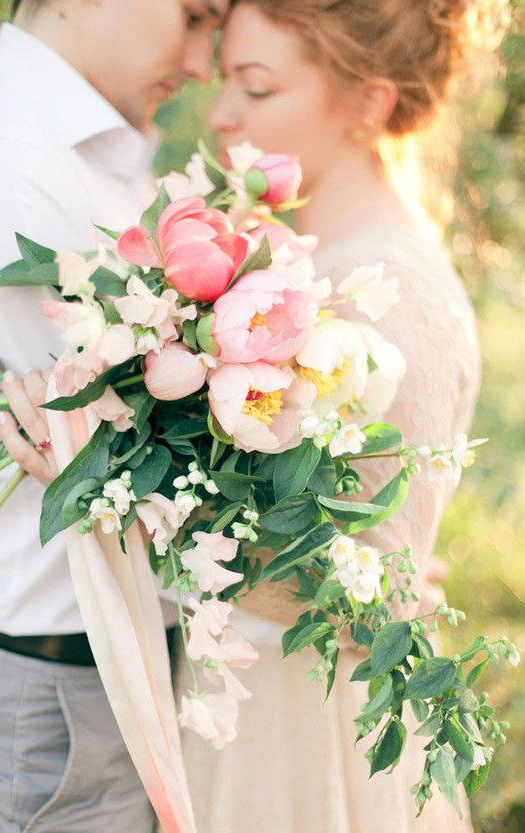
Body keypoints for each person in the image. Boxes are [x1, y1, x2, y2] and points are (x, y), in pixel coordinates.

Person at [174, 1, 499, 830]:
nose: (220, 114)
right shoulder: (302, 255)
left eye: (256, 85)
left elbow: (360, 599)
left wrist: (141, 522)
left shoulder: (396, 297)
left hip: (307, 738)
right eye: (224, 80)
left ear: (368, 103)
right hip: (247, 700)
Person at [0, 1, 229, 831]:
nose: (202, 60)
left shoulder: (96, 158)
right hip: (47, 701)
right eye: (192, 16)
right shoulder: (11, 166)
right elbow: (125, 461)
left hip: (101, 673)